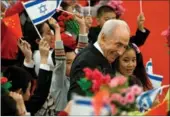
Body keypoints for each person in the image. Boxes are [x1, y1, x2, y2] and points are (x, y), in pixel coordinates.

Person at [68, 19, 130, 100]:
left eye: (124, 47)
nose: (121, 52)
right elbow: (78, 103)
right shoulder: (87, 62)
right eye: (118, 45)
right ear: (103, 38)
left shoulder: (101, 57)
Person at [3, 38, 53, 115]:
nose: (30, 94)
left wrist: (28, 57)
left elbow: (23, 77)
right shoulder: (18, 109)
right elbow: (40, 95)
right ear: (19, 92)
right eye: (29, 90)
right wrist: (44, 59)